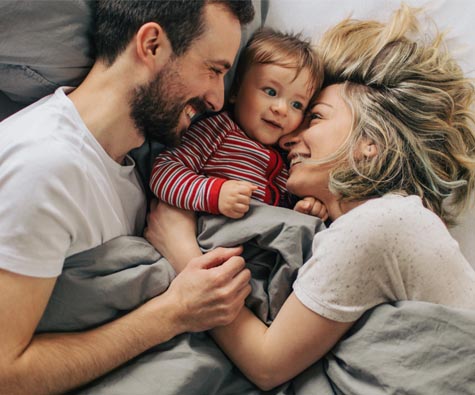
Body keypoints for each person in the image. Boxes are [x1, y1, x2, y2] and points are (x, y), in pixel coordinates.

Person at [145, 5, 475, 391]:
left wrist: (182, 251)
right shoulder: (363, 223)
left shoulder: (380, 222)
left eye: (314, 116)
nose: (287, 138)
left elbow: (267, 363)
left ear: (371, 143)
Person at [0, 1, 255, 393]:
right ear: (151, 45)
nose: (218, 100)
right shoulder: (44, 167)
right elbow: (6, 373)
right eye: (214, 70)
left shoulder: (132, 167)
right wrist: (175, 313)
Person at [149, 27, 324, 220]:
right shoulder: (216, 131)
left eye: (296, 104)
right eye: (270, 92)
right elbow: (163, 171)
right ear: (235, 91)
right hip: (212, 231)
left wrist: (304, 208)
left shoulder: (288, 156)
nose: (281, 109)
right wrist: (216, 194)